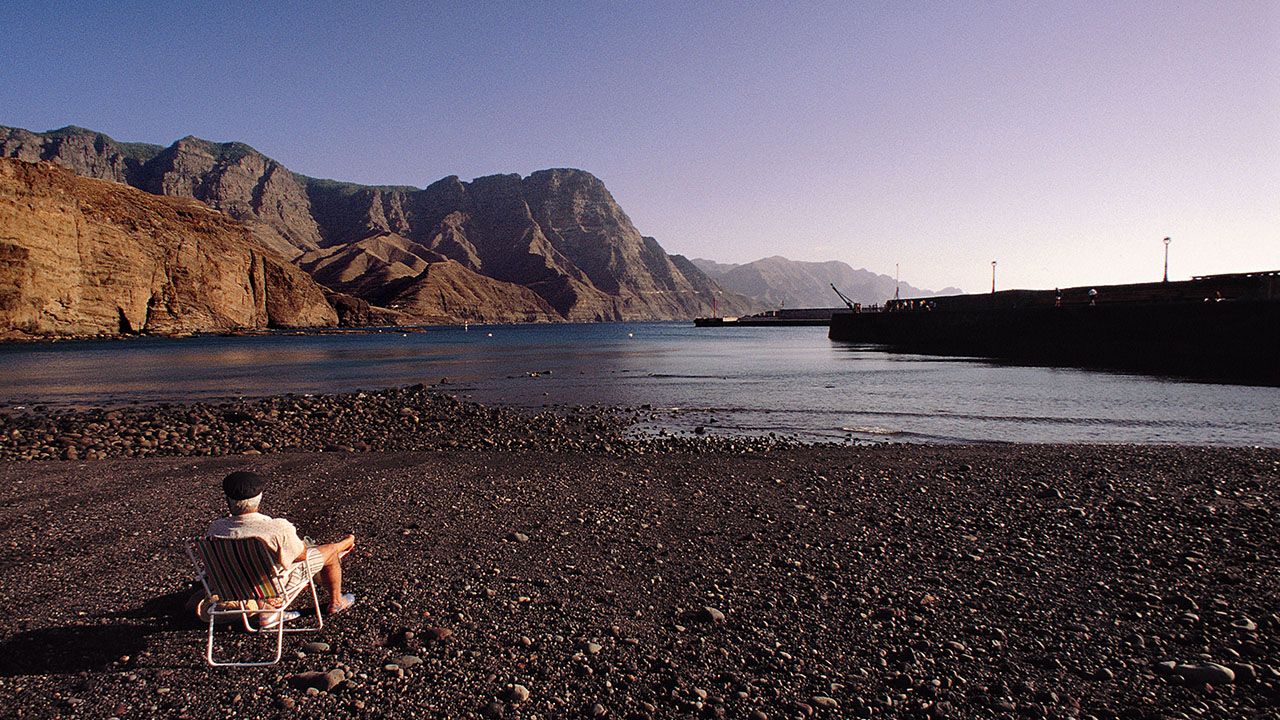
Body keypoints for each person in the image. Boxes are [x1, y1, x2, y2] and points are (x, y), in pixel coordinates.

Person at [207, 470, 356, 626]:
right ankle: (336, 602)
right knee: (330, 552)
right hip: (271, 589)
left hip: (232, 588)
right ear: (259, 497)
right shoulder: (277, 527)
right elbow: (301, 556)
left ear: (228, 500)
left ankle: (266, 610)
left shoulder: (216, 529)